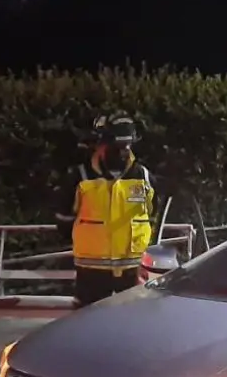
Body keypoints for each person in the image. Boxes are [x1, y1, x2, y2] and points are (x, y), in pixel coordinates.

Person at [55, 114, 158, 306]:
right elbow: (63, 220)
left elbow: (152, 216)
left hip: (132, 271)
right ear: (100, 144)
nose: (123, 152)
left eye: (127, 146)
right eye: (116, 146)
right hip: (91, 271)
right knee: (86, 326)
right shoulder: (80, 176)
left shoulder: (143, 176)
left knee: (133, 325)